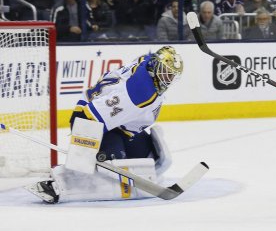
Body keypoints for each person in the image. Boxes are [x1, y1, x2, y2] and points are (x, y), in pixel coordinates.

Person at [28, 46, 183, 203]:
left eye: (172, 75)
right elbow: (88, 118)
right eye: (166, 73)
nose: (168, 79)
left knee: (149, 157)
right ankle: (59, 183)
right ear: (155, 67)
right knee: (111, 163)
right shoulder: (141, 93)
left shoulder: (147, 62)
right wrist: (81, 160)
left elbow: (149, 58)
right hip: (89, 120)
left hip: (118, 125)